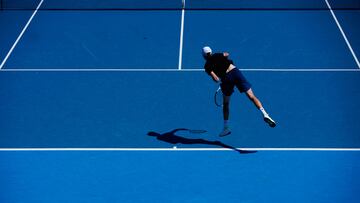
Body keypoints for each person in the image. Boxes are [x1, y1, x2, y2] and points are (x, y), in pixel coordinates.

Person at [202, 46, 276, 137]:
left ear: (204, 56)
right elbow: (226, 54)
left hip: (226, 79)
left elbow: (216, 79)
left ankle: (226, 128)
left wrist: (219, 78)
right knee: (252, 96)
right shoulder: (217, 55)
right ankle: (265, 113)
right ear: (211, 52)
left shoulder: (207, 66)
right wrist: (223, 58)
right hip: (235, 72)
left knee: (226, 104)